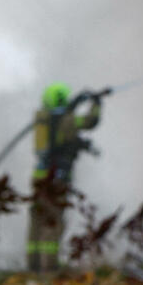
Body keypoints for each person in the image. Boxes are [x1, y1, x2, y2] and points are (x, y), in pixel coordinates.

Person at [28, 83, 102, 272]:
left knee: (37, 219)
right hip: (57, 178)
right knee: (54, 220)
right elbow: (90, 122)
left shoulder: (42, 119)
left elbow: (62, 135)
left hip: (39, 176)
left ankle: (33, 264)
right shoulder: (68, 120)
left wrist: (76, 102)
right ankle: (49, 266)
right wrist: (96, 103)